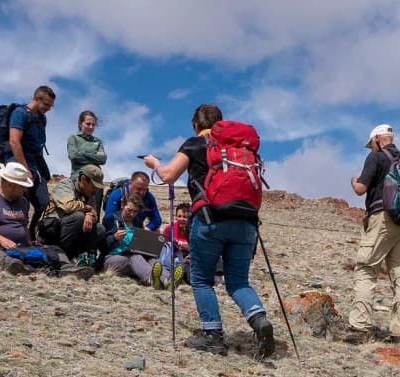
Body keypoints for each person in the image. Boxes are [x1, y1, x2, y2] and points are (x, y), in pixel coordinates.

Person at [142, 103, 274, 358]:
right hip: (246, 222)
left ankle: (212, 334)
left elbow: (168, 175)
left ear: (195, 125)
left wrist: (154, 163)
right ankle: (259, 320)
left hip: (209, 219)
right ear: (220, 123)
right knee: (238, 281)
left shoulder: (194, 144)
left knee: (202, 279)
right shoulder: (239, 149)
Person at [344, 123, 400, 344]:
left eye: (371, 143)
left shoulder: (375, 158)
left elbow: (360, 190)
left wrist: (354, 181)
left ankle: (359, 328)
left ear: (377, 139)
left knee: (367, 268)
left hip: (382, 218)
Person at [0, 162, 91, 279]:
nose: (24, 190)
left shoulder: (23, 201)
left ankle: (66, 268)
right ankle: (11, 264)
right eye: (22, 186)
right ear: (10, 184)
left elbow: (23, 225)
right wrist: (2, 239)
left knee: (54, 249)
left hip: (21, 246)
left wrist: (29, 240)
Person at [6, 85, 56, 241]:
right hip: (18, 163)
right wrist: (24, 169)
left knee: (44, 203)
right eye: (46, 104)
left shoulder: (42, 118)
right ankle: (18, 236)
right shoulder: (20, 113)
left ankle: (31, 232)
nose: (48, 109)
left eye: (50, 105)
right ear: (36, 98)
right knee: (22, 203)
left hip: (36, 166)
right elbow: (14, 141)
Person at [38, 164, 105, 261]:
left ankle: (78, 258)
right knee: (78, 217)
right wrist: (86, 209)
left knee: (99, 229)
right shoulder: (65, 185)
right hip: (51, 233)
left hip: (70, 235)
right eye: (94, 185)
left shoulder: (90, 194)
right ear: (83, 179)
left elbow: (94, 213)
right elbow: (68, 206)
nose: (95, 189)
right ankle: (57, 256)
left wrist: (89, 215)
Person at [103, 193, 160, 285]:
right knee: (134, 256)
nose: (132, 214)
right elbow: (102, 245)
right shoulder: (111, 219)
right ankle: (152, 280)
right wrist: (114, 237)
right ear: (122, 205)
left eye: (135, 211)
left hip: (134, 260)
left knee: (152, 259)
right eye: (129, 210)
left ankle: (167, 280)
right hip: (112, 259)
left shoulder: (138, 222)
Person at [67, 111, 107, 213]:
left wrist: (83, 153)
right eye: (88, 124)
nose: (91, 127)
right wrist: (94, 154)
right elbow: (74, 156)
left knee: (94, 212)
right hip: (78, 178)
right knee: (78, 211)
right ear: (80, 124)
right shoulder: (73, 138)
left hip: (96, 180)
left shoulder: (98, 142)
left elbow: (103, 159)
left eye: (93, 124)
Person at [155, 202, 190, 289]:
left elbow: (197, 248)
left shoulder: (194, 230)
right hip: (174, 258)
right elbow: (165, 248)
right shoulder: (170, 229)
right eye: (179, 216)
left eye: (185, 217)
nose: (181, 219)